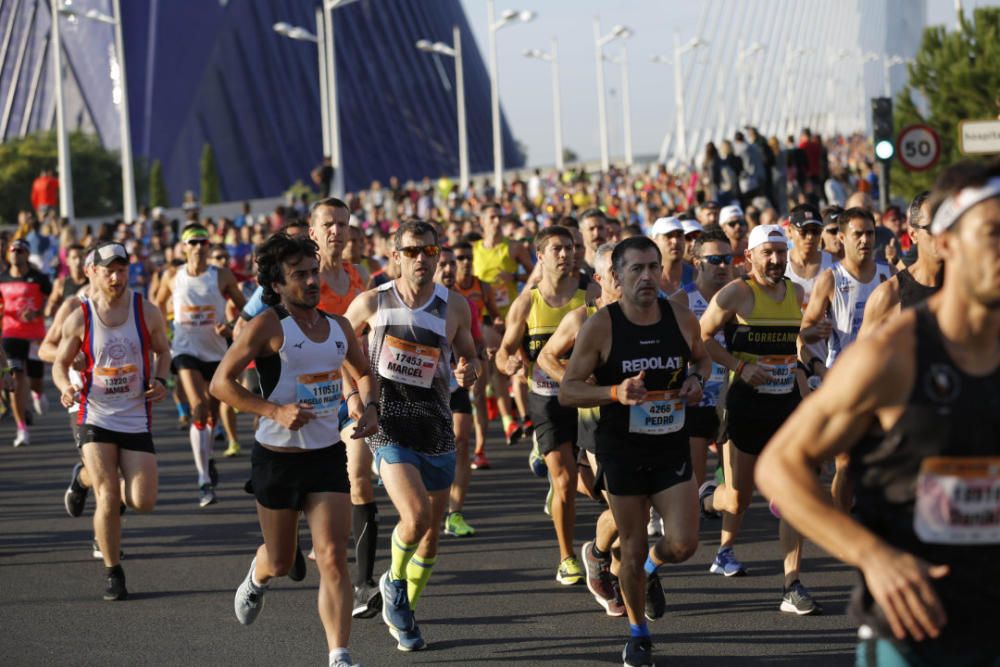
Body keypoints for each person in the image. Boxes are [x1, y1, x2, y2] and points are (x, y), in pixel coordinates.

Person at [756, 158, 1000, 666]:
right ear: (947, 242)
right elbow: (780, 466)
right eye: (993, 233)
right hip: (915, 632)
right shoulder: (894, 354)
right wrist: (871, 555)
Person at [210, 233, 377, 667]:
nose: (310, 281)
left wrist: (370, 407)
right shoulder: (267, 325)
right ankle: (256, 576)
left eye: (313, 272)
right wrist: (274, 411)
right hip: (277, 459)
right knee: (282, 561)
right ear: (278, 285)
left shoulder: (338, 327)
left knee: (333, 558)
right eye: (298, 275)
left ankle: (339, 655)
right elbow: (220, 384)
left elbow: (362, 372)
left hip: (325, 455)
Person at [559, 236, 709, 667]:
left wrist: (697, 381)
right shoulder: (601, 326)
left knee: (683, 544)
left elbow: (701, 360)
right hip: (621, 449)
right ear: (617, 278)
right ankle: (638, 634)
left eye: (652, 268)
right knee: (633, 541)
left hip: (669, 446)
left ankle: (643, 572)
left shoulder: (680, 318)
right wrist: (613, 391)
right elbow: (569, 390)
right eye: (635, 269)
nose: (646, 277)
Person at [343, 220, 480, 652]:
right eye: (413, 251)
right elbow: (338, 347)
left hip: (435, 425)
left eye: (430, 251)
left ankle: (402, 606)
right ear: (396, 256)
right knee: (416, 516)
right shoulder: (372, 302)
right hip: (388, 424)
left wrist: (469, 370)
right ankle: (391, 582)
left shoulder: (454, 306)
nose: (422, 259)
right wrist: (355, 396)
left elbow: (472, 356)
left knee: (431, 534)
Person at [697, 225, 820, 614]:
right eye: (767, 252)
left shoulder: (797, 294)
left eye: (780, 252)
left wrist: (808, 348)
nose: (776, 259)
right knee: (737, 497)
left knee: (793, 495)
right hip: (744, 404)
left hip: (782, 407)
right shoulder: (737, 293)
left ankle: (792, 584)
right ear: (749, 256)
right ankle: (707, 497)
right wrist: (738, 366)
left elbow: (794, 341)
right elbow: (701, 337)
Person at [52, 242, 171, 600]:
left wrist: (162, 379)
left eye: (122, 270)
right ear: (94, 272)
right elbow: (59, 363)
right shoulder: (80, 316)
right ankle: (113, 570)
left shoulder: (145, 311)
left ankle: (81, 477)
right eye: (109, 271)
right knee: (107, 495)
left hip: (135, 415)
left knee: (143, 500)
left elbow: (163, 350)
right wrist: (64, 388)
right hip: (96, 414)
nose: (117, 277)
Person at [496, 226, 587, 585]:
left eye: (570, 248)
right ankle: (567, 558)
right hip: (546, 399)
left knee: (594, 484)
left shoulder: (590, 295)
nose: (566, 255)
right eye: (557, 249)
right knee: (564, 481)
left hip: (587, 400)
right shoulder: (526, 304)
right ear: (540, 256)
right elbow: (503, 352)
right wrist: (510, 364)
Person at [537, 242, 625, 616]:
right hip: (595, 423)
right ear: (600, 279)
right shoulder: (581, 318)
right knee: (622, 506)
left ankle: (618, 575)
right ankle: (595, 560)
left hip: (646, 423)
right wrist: (576, 381)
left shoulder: (649, 314)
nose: (632, 279)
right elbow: (545, 357)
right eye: (620, 274)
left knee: (639, 512)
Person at [800, 207, 892, 511]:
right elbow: (805, 332)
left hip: (882, 377)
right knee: (845, 461)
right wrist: (818, 330)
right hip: (843, 378)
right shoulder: (829, 279)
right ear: (841, 238)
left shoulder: (886, 274)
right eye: (858, 234)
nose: (865, 240)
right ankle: (842, 524)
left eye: (870, 233)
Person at [155, 224, 246, 507]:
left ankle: (205, 457)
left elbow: (246, 310)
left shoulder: (221, 276)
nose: (198, 247)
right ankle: (203, 479)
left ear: (209, 246)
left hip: (216, 352)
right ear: (183, 247)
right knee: (198, 408)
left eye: (203, 242)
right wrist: (165, 332)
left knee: (211, 413)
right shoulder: (172, 276)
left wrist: (230, 326)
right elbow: (156, 305)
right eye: (192, 242)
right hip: (185, 350)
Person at [471, 203, 534, 444]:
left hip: (514, 316)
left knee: (519, 367)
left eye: (500, 217)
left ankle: (526, 415)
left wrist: (515, 277)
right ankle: (509, 420)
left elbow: (536, 272)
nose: (497, 221)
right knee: (497, 368)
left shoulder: (513, 247)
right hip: (486, 318)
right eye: (492, 217)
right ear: (482, 222)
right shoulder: (474, 249)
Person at [433, 245, 483, 538]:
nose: (450, 269)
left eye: (453, 263)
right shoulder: (412, 305)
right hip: (421, 390)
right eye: (443, 264)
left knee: (461, 442)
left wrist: (472, 371)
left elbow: (475, 350)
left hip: (454, 386)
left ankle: (455, 513)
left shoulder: (464, 306)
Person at [679, 230, 734, 488]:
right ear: (696, 262)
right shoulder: (680, 301)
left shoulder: (742, 295)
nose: (723, 266)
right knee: (694, 482)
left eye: (727, 259)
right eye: (715, 260)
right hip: (696, 400)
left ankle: (714, 506)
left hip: (733, 395)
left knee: (734, 487)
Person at [860, 191, 944, 336]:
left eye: (946, 227)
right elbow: (862, 355)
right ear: (913, 235)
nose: (941, 235)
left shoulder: (967, 286)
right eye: (932, 229)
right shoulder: (889, 295)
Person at [0, 239, 52, 447]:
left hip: (34, 337)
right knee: (17, 379)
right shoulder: (2, 278)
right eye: (13, 250)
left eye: (20, 250)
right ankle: (21, 428)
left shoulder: (39, 278)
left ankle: (38, 393)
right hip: (10, 336)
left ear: (27, 254)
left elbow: (51, 302)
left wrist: (38, 312)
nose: (15, 253)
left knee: (35, 380)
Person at [650, 217, 693, 295]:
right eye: (668, 236)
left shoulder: (697, 278)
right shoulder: (645, 281)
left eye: (679, 236)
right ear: (654, 242)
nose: (675, 241)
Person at [46, 243, 88, 317]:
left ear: (86, 260)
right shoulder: (60, 283)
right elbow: (48, 312)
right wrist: (53, 307)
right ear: (67, 261)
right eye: (74, 258)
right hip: (69, 326)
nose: (78, 262)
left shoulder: (93, 282)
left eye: (81, 257)